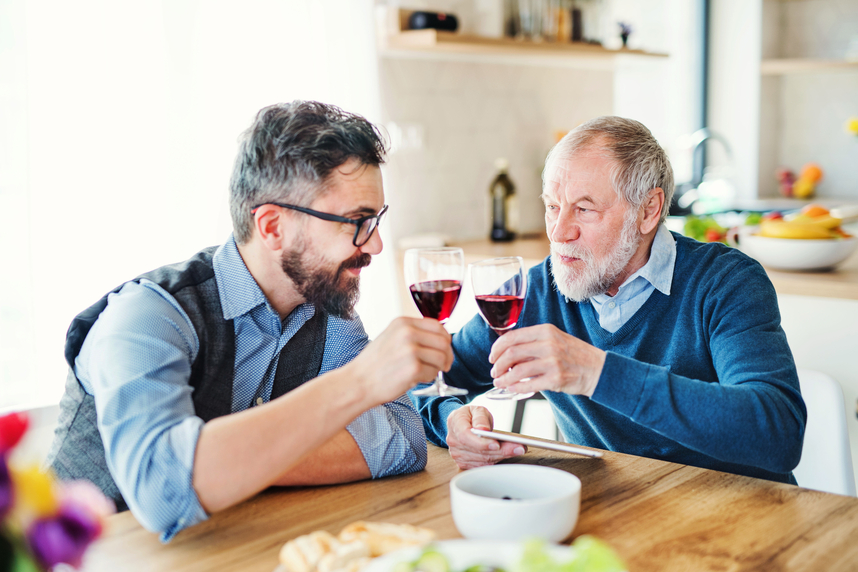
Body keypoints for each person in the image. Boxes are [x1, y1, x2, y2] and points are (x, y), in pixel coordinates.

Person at [46, 101, 453, 541]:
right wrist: (359, 383)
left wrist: (226, 463)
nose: (374, 245)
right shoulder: (148, 316)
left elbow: (404, 439)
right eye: (355, 222)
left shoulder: (328, 312)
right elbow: (162, 490)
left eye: (375, 220)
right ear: (272, 226)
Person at [411, 116, 807, 484]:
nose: (559, 232)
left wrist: (595, 373)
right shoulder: (536, 291)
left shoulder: (726, 281)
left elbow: (779, 432)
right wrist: (453, 422)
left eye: (584, 209)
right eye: (552, 206)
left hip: (740, 518)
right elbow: (426, 380)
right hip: (615, 512)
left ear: (648, 210)